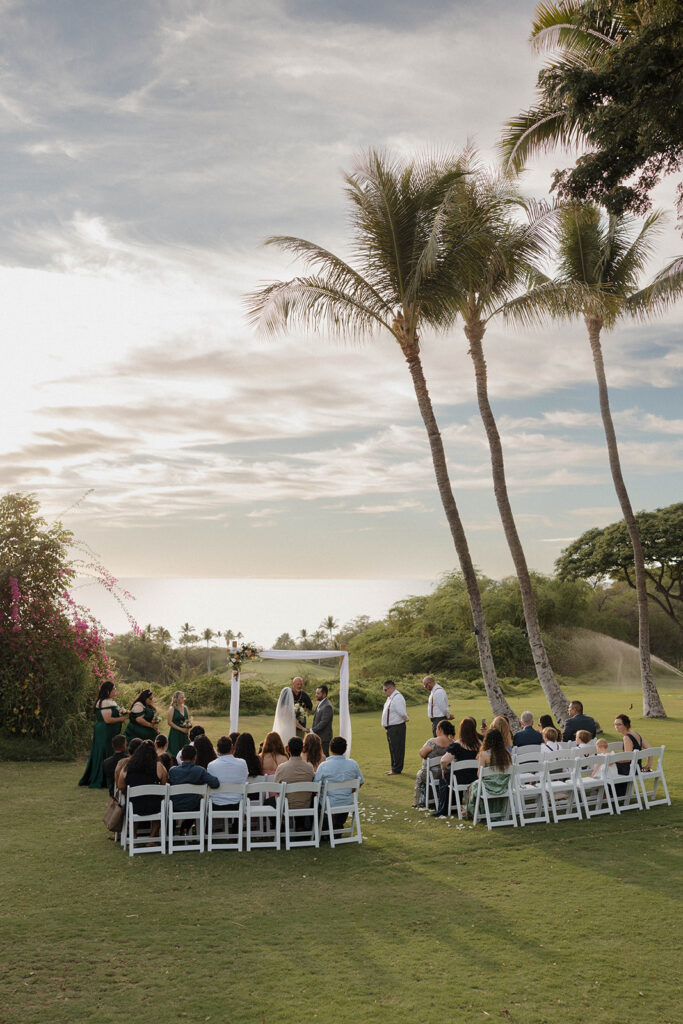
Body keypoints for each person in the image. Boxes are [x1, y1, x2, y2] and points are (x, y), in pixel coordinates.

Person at [78, 682, 127, 789]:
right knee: (104, 751)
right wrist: (121, 719)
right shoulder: (104, 702)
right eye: (113, 689)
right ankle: (102, 779)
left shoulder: (110, 701)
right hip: (105, 731)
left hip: (110, 731)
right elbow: (107, 720)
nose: (115, 691)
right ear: (107, 690)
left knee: (110, 750)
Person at [432, 717, 481, 817]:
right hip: (476, 778)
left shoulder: (457, 744)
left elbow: (444, 760)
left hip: (460, 779)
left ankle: (445, 807)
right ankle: (455, 803)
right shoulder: (480, 744)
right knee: (449, 774)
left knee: (444, 776)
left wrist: (443, 769)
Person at [314, 736, 364, 831]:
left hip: (329, 803)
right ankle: (335, 825)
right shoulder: (353, 764)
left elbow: (316, 786)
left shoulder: (324, 765)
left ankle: (328, 826)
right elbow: (361, 782)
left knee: (316, 798)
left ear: (330, 749)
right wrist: (348, 791)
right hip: (347, 801)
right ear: (345, 749)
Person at [118, 739, 168, 836]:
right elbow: (164, 785)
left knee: (132, 803)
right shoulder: (158, 766)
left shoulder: (128, 766)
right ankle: (152, 837)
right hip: (155, 806)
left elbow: (120, 786)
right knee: (162, 805)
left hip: (134, 806)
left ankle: (134, 836)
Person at [466, 728, 513, 819]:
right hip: (503, 785)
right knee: (474, 786)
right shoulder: (506, 754)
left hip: (488, 786)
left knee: (472, 786)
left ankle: (474, 813)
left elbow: (480, 775)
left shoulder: (484, 754)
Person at [168, 746, 220, 821]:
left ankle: (183, 829)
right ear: (195, 757)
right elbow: (215, 783)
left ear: (181, 758)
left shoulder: (173, 771)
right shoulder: (199, 770)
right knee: (201, 802)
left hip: (176, 805)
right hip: (192, 806)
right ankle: (185, 828)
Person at [412, 720, 455, 808]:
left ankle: (420, 801)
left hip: (431, 774)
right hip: (447, 774)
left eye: (436, 728)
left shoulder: (432, 741)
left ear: (440, 729)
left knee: (420, 774)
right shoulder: (453, 743)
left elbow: (422, 754)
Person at [274, 736, 316, 822]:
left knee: (268, 802)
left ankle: (279, 827)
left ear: (288, 749)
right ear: (302, 749)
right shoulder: (309, 767)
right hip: (305, 804)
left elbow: (276, 789)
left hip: (287, 805)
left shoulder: (282, 768)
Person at [207, 736, 249, 806]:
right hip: (236, 801)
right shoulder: (242, 763)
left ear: (217, 750)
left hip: (218, 802)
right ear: (232, 748)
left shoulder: (211, 765)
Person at [381, 679, 409, 776]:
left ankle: (397, 769)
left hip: (396, 727)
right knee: (393, 748)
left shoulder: (397, 698)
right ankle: (394, 767)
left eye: (385, 690)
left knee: (397, 748)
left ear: (391, 688)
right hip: (391, 727)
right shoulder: (390, 697)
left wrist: (406, 718)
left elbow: (402, 712)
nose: (384, 692)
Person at [309, 685, 334, 755]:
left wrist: (312, 730)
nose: (316, 695)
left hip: (324, 737)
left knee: (324, 756)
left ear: (324, 694)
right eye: (316, 693)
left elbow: (324, 722)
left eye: (318, 693)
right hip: (318, 736)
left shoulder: (327, 706)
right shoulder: (321, 703)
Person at [166, 690, 190, 759]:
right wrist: (181, 729)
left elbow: (187, 720)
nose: (183, 699)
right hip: (175, 733)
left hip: (184, 733)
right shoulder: (172, 709)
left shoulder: (185, 708)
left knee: (186, 750)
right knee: (175, 752)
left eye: (183, 697)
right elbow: (169, 722)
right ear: (176, 699)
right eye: (181, 698)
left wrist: (188, 728)